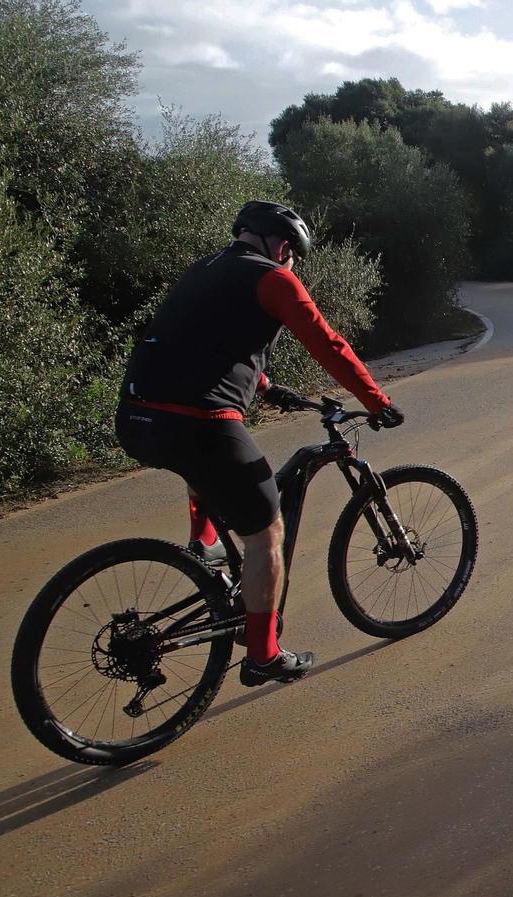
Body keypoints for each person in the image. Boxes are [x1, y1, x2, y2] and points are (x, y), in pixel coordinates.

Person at [115, 201, 404, 687]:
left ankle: (205, 543)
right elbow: (328, 344)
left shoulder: (203, 269)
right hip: (198, 423)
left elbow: (199, 343)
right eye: (293, 257)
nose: (292, 264)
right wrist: (377, 402)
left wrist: (266, 387)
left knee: (203, 466)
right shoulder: (274, 278)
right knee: (266, 535)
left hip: (136, 420)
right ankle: (264, 656)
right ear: (284, 246)